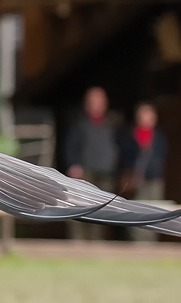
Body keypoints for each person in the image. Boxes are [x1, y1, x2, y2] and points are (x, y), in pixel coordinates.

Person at [64, 86, 121, 241]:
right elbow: (70, 147)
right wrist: (74, 165)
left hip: (105, 174)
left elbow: (118, 148)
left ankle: (97, 243)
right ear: (86, 104)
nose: (97, 105)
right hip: (86, 173)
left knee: (102, 212)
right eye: (93, 101)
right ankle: (79, 242)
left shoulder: (112, 125)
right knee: (80, 208)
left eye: (100, 101)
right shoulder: (79, 124)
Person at [120, 102, 169, 242]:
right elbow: (125, 157)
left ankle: (150, 243)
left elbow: (162, 156)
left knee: (155, 212)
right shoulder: (130, 135)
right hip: (136, 179)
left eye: (150, 115)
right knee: (136, 211)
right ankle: (137, 242)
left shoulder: (159, 136)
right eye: (144, 115)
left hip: (154, 179)